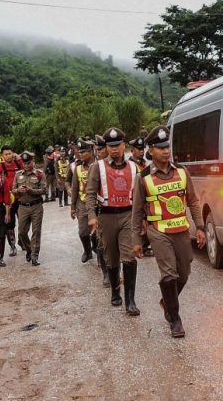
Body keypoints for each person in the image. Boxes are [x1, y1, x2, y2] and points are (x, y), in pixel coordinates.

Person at [131, 125, 206, 337]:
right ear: (151, 151)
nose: (166, 151)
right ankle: (175, 319)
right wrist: (137, 239)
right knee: (169, 274)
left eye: (167, 146)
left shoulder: (182, 172)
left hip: (181, 230)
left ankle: (167, 301)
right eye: (160, 147)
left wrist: (199, 227)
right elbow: (137, 212)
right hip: (158, 231)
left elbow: (192, 200)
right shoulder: (143, 178)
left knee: (184, 273)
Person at [86, 127, 140, 314]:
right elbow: (91, 193)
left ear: (124, 145)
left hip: (128, 215)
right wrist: (92, 216)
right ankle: (115, 292)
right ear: (106, 147)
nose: (114, 149)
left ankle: (130, 301)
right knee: (111, 257)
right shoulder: (97, 167)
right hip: (106, 216)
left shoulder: (134, 167)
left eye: (117, 145)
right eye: (111, 146)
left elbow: (140, 196)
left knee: (129, 257)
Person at [12, 151, 46, 266]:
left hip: (36, 206)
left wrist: (31, 190)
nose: (26, 165)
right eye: (24, 163)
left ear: (33, 162)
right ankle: (29, 249)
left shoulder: (39, 174)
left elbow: (44, 190)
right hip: (22, 207)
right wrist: (18, 190)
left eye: (28, 162)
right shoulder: (18, 175)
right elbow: (13, 190)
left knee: (36, 232)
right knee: (22, 232)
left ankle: (34, 256)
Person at [70, 139, 99, 267]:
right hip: (82, 203)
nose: (81, 154)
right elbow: (75, 187)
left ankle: (100, 254)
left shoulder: (99, 166)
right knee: (83, 232)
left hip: (97, 203)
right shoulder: (77, 169)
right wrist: (72, 207)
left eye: (84, 152)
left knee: (98, 233)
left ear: (91, 152)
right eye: (80, 152)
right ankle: (87, 251)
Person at [128, 131, 154, 257]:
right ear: (132, 151)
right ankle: (141, 246)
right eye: (138, 149)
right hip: (135, 198)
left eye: (142, 149)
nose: (141, 151)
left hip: (146, 198)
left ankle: (145, 245)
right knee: (140, 223)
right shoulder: (131, 165)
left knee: (147, 222)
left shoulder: (143, 163)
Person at [0, 145, 23, 256]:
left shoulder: (18, 164)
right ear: (2, 156)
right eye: (6, 154)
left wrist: (19, 159)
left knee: (23, 222)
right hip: (8, 201)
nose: (8, 156)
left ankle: (22, 242)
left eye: (10, 153)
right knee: (9, 224)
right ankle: (13, 247)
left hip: (20, 198)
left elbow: (28, 168)